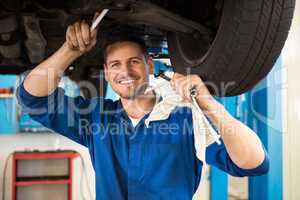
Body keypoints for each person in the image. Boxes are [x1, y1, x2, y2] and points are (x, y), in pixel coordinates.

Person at [17, 16, 269, 200]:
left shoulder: (186, 119)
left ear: (149, 66)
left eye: (134, 62)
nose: (124, 71)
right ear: (107, 72)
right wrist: (69, 51)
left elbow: (254, 163)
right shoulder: (95, 119)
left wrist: (207, 103)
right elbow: (32, 97)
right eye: (115, 64)